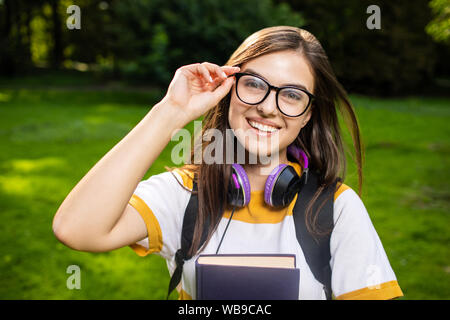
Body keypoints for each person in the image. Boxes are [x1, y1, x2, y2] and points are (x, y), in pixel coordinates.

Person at [52, 26, 403, 300]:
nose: (267, 106)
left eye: (292, 95)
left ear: (308, 114)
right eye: (254, 84)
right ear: (228, 88)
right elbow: (77, 229)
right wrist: (170, 113)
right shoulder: (184, 193)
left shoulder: (336, 209)